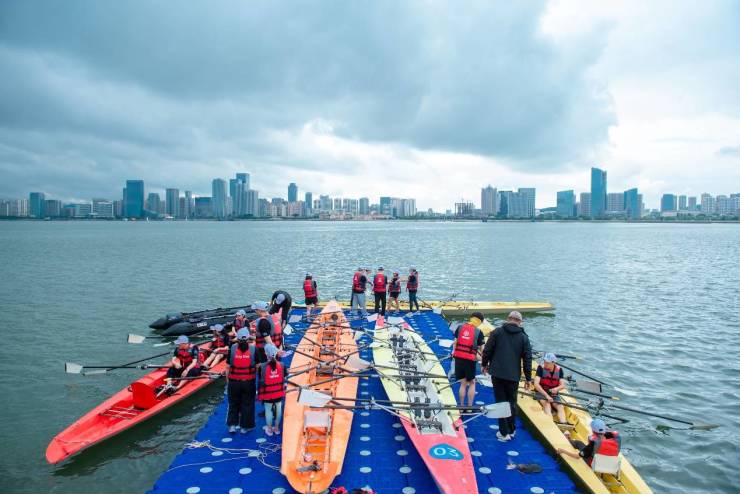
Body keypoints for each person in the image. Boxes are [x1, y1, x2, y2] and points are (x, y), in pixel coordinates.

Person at [481, 310, 533, 441]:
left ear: (508, 319)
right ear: (520, 322)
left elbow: (487, 350)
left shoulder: (497, 332)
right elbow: (527, 359)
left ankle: (504, 433)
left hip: (497, 373)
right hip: (513, 376)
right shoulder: (524, 337)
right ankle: (511, 429)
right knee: (512, 403)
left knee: (500, 402)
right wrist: (528, 378)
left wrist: (484, 364)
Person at [452, 312, 486, 411]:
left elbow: (455, 343)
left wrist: (454, 353)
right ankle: (470, 407)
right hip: (470, 360)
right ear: (479, 321)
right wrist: (484, 363)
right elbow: (482, 350)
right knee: (472, 383)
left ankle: (461, 406)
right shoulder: (479, 332)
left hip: (458, 358)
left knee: (463, 383)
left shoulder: (460, 327)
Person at [226, 328, 257, 433]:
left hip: (234, 381)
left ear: (237, 339)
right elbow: (257, 366)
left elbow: (228, 367)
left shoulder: (232, 348)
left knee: (233, 403)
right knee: (247, 403)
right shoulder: (253, 349)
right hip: (248, 382)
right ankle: (245, 427)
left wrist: (228, 381)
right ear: (248, 338)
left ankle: (232, 425)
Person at [557, 419, 621, 467]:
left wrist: (563, 451)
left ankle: (568, 439)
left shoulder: (593, 443)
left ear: (593, 430)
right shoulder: (616, 438)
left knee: (578, 443)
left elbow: (577, 457)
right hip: (610, 463)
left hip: (594, 464)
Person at [258, 344, 286, 436]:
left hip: (267, 393)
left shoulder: (262, 367)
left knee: (268, 410)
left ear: (266, 353)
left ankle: (269, 429)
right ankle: (277, 429)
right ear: (276, 353)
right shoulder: (282, 365)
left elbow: (260, 380)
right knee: (278, 409)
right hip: (278, 392)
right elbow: (284, 377)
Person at [534, 352, 568, 425]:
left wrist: (557, 389)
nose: (545, 364)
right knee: (547, 404)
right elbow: (536, 384)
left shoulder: (559, 370)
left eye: (547, 363)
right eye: (545, 361)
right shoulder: (540, 368)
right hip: (541, 392)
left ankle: (564, 424)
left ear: (553, 363)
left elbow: (563, 385)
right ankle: (551, 424)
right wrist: (546, 396)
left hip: (553, 393)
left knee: (560, 406)